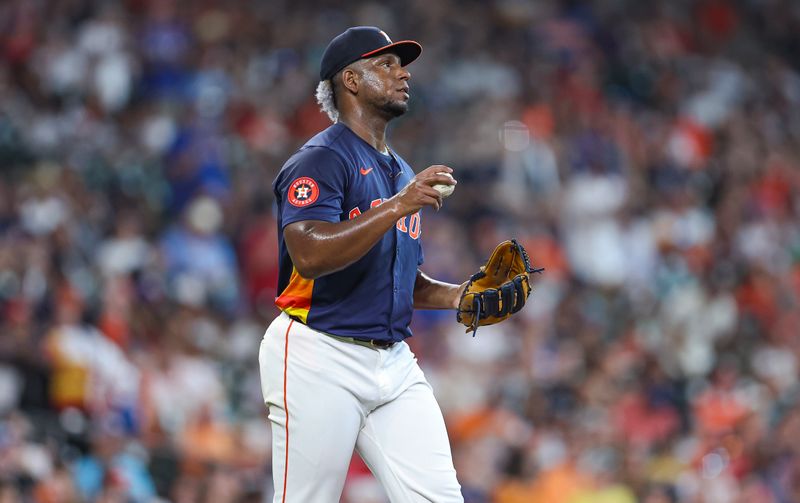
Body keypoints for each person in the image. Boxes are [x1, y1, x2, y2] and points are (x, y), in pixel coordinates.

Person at [258, 26, 464, 502]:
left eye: (402, 64)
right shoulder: (321, 160)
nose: (403, 73)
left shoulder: (400, 170)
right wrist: (397, 205)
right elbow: (309, 256)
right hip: (318, 352)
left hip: (393, 360)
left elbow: (399, 280)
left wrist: (460, 295)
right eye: (386, 65)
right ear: (350, 80)